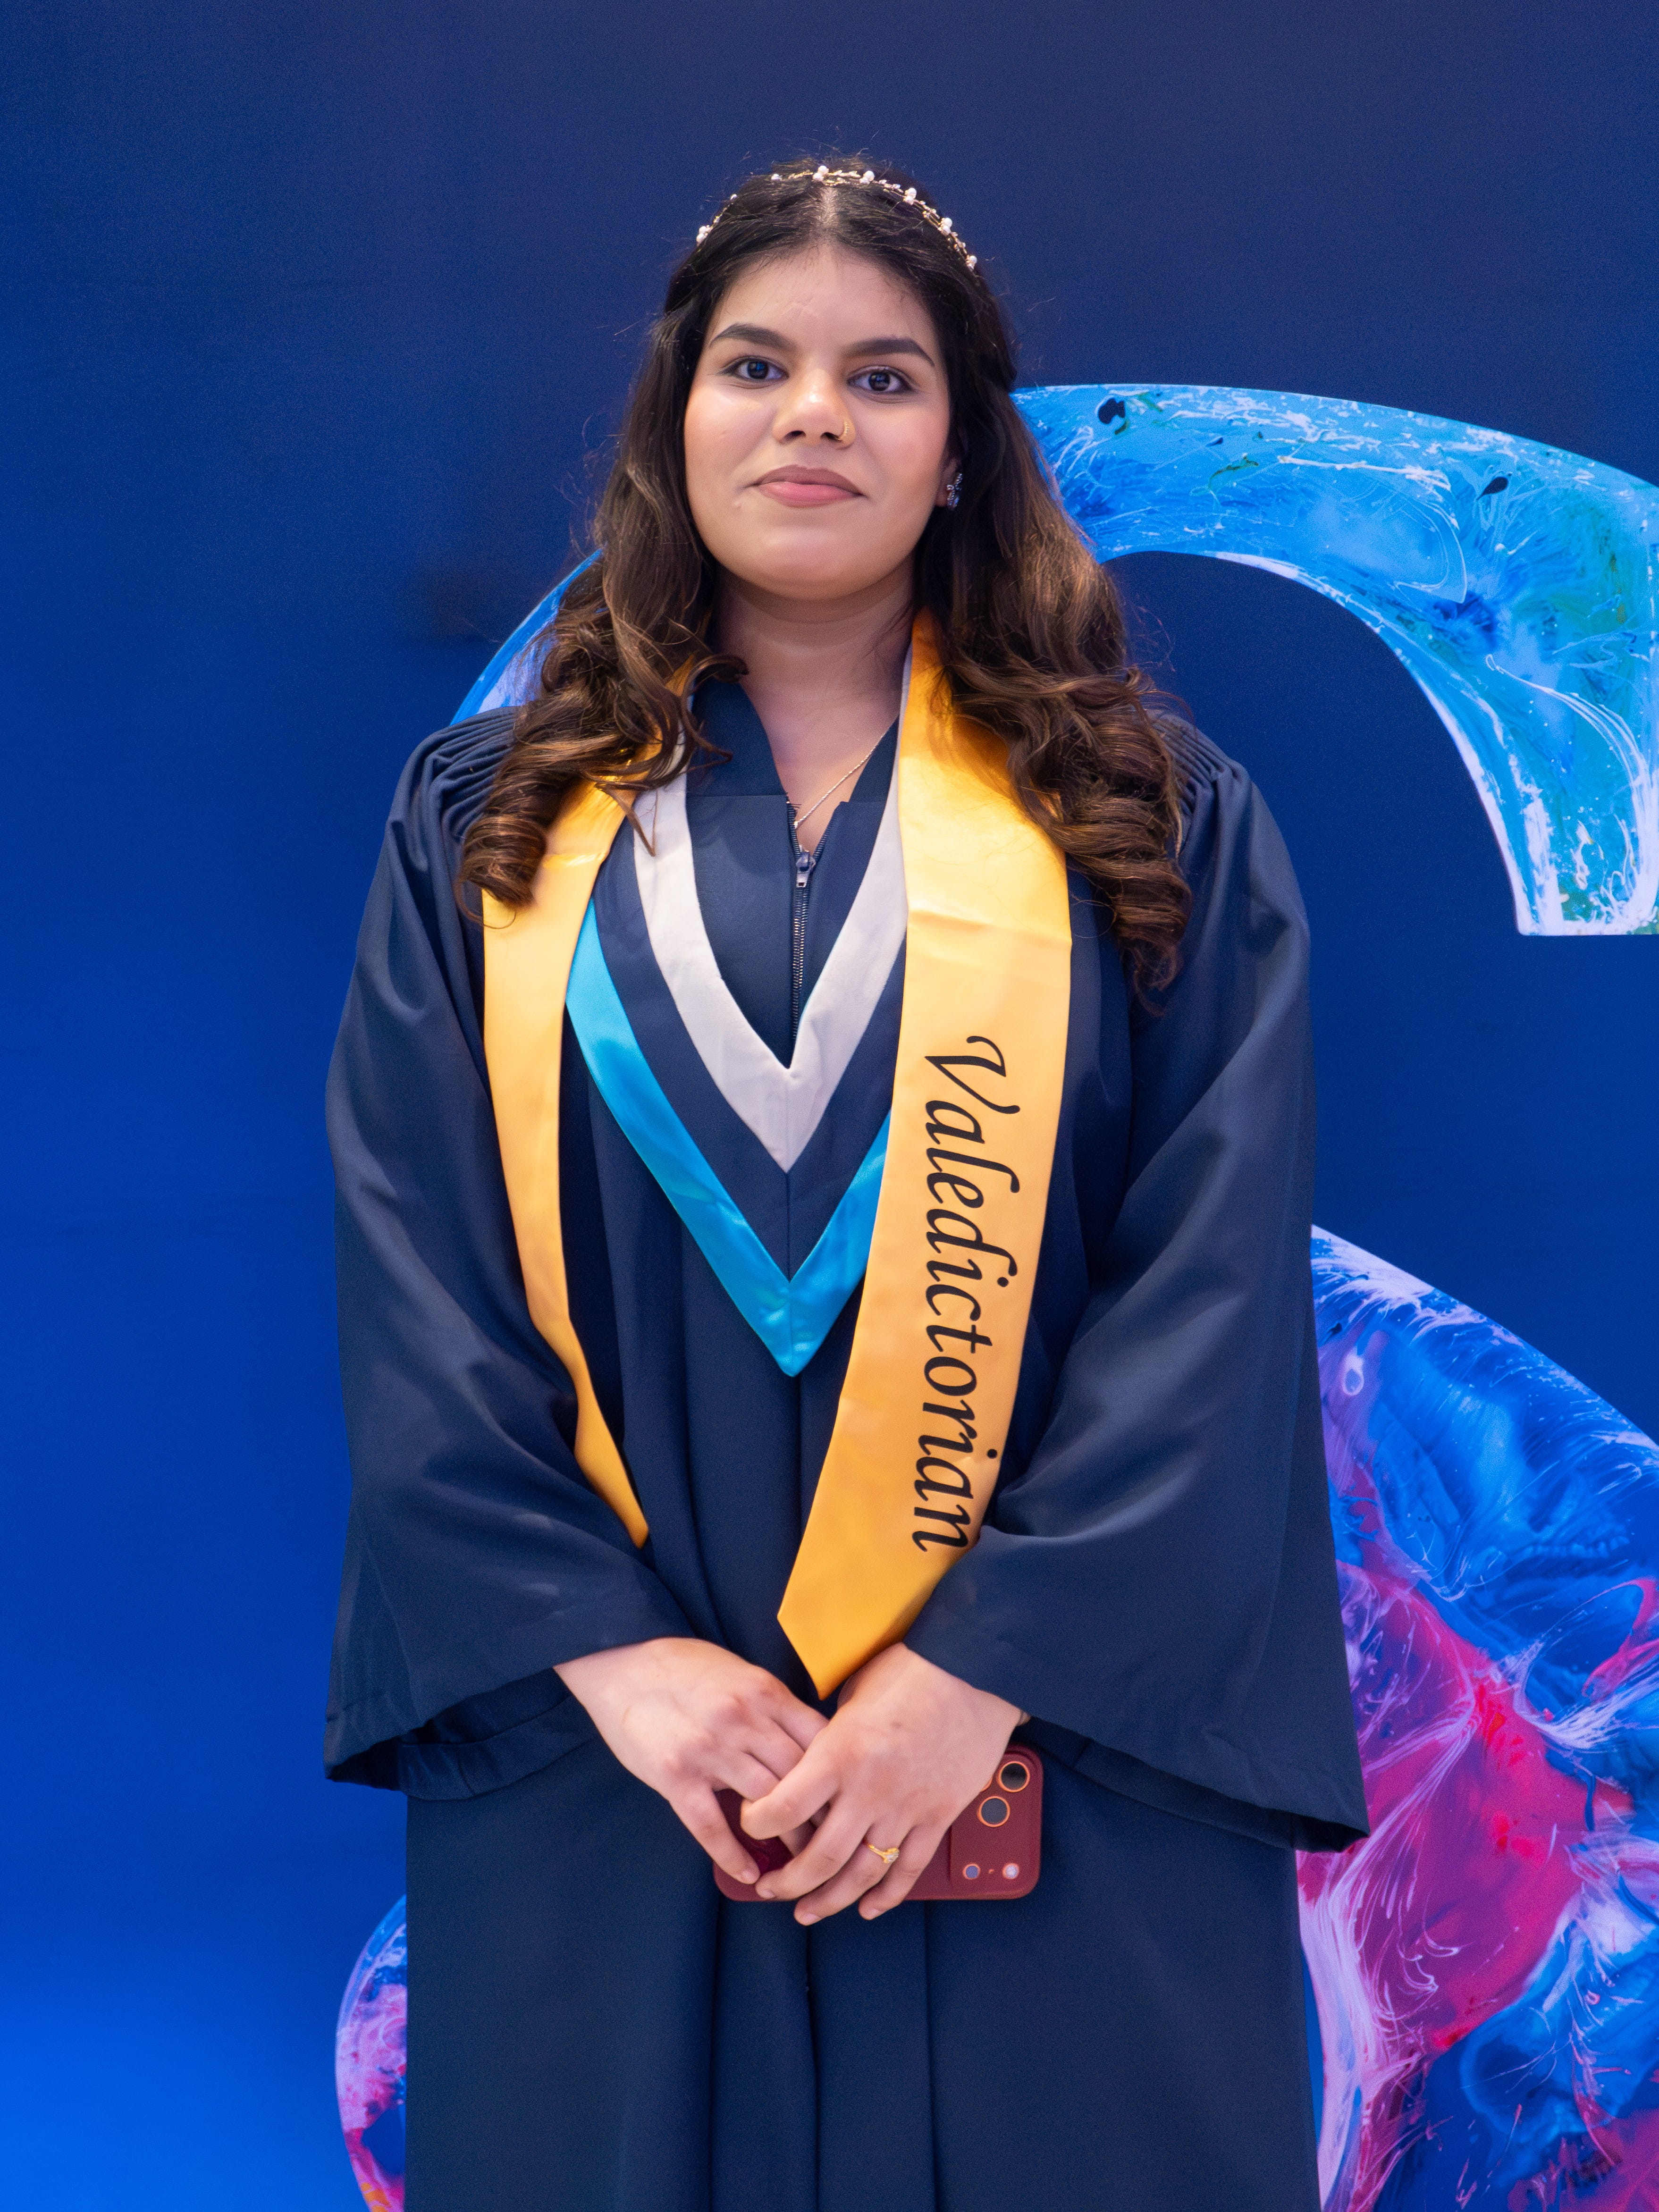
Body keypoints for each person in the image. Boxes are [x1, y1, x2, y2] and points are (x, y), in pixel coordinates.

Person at [325, 160, 1367, 2212]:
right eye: (757, 365)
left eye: (884, 376)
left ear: (963, 450)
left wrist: (983, 1662)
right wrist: (616, 1659)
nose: (816, 415)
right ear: (674, 421)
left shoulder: (1146, 825)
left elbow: (1216, 1291)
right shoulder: (493, 825)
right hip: (632, 1751)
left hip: (1044, 1743)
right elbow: (413, 1272)